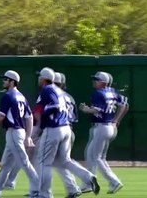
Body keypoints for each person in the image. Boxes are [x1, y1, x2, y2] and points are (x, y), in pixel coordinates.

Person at [35, 67, 99, 198]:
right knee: (64, 161)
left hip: (54, 128)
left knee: (44, 162)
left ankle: (45, 194)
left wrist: (42, 124)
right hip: (66, 128)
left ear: (43, 79)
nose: (38, 79)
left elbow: (53, 107)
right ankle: (88, 177)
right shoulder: (62, 93)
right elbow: (73, 116)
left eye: (39, 77)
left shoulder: (47, 90)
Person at [0, 70, 39, 198]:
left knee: (24, 162)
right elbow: (29, 117)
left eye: (6, 79)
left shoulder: (8, 96)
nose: (3, 81)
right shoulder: (22, 97)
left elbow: (1, 117)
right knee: (6, 163)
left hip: (14, 132)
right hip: (19, 132)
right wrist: (28, 136)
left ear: (12, 82)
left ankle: (37, 188)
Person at [79, 71, 128, 194]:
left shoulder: (98, 93)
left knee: (95, 157)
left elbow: (95, 110)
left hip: (102, 127)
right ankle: (89, 183)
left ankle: (114, 181)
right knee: (92, 154)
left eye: (97, 80)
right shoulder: (112, 91)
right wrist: (116, 120)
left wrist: (85, 109)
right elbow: (124, 105)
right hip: (109, 126)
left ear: (103, 82)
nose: (94, 81)